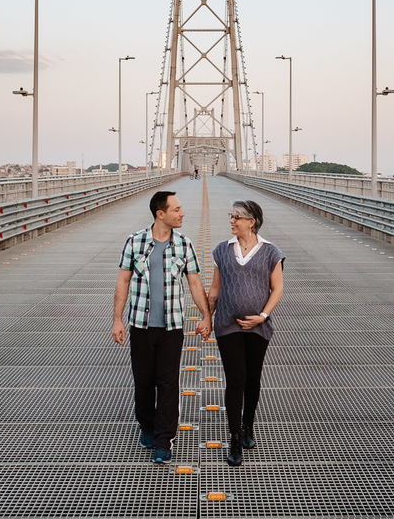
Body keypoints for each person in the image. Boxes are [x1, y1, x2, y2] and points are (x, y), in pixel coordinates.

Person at [113, 191, 212, 464]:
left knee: (168, 384)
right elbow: (123, 281)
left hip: (172, 327)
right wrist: (118, 319)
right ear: (161, 214)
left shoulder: (184, 244)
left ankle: (163, 440)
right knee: (143, 382)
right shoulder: (134, 242)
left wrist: (206, 317)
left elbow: (194, 283)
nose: (182, 214)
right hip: (141, 325)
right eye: (177, 209)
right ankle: (146, 427)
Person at [207, 199, 285, 466]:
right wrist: (207, 316)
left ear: (251, 222)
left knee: (253, 378)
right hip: (227, 325)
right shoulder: (222, 250)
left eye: (237, 217)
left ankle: (248, 424)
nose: (232, 220)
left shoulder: (271, 251)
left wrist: (262, 316)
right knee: (236, 379)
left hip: (258, 326)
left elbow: (277, 289)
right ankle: (235, 437)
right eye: (231, 216)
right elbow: (215, 289)